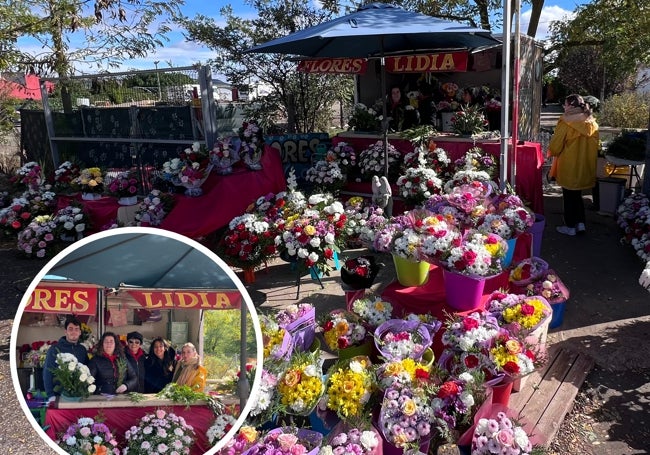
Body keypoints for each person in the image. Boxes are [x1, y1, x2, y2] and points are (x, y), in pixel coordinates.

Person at [548, 94, 600, 236]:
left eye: (565, 104)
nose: (564, 107)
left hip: (569, 166)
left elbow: (556, 146)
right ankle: (581, 223)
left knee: (569, 197)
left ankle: (570, 226)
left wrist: (550, 152)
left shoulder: (566, 121)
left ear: (570, 105)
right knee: (578, 196)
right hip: (585, 167)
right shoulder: (592, 122)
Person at [43, 315, 89, 398]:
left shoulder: (82, 350)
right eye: (70, 329)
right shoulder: (55, 349)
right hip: (59, 395)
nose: (73, 332)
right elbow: (47, 373)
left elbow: (87, 371)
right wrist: (50, 395)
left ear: (80, 332)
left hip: (78, 395)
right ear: (65, 331)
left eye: (76, 329)